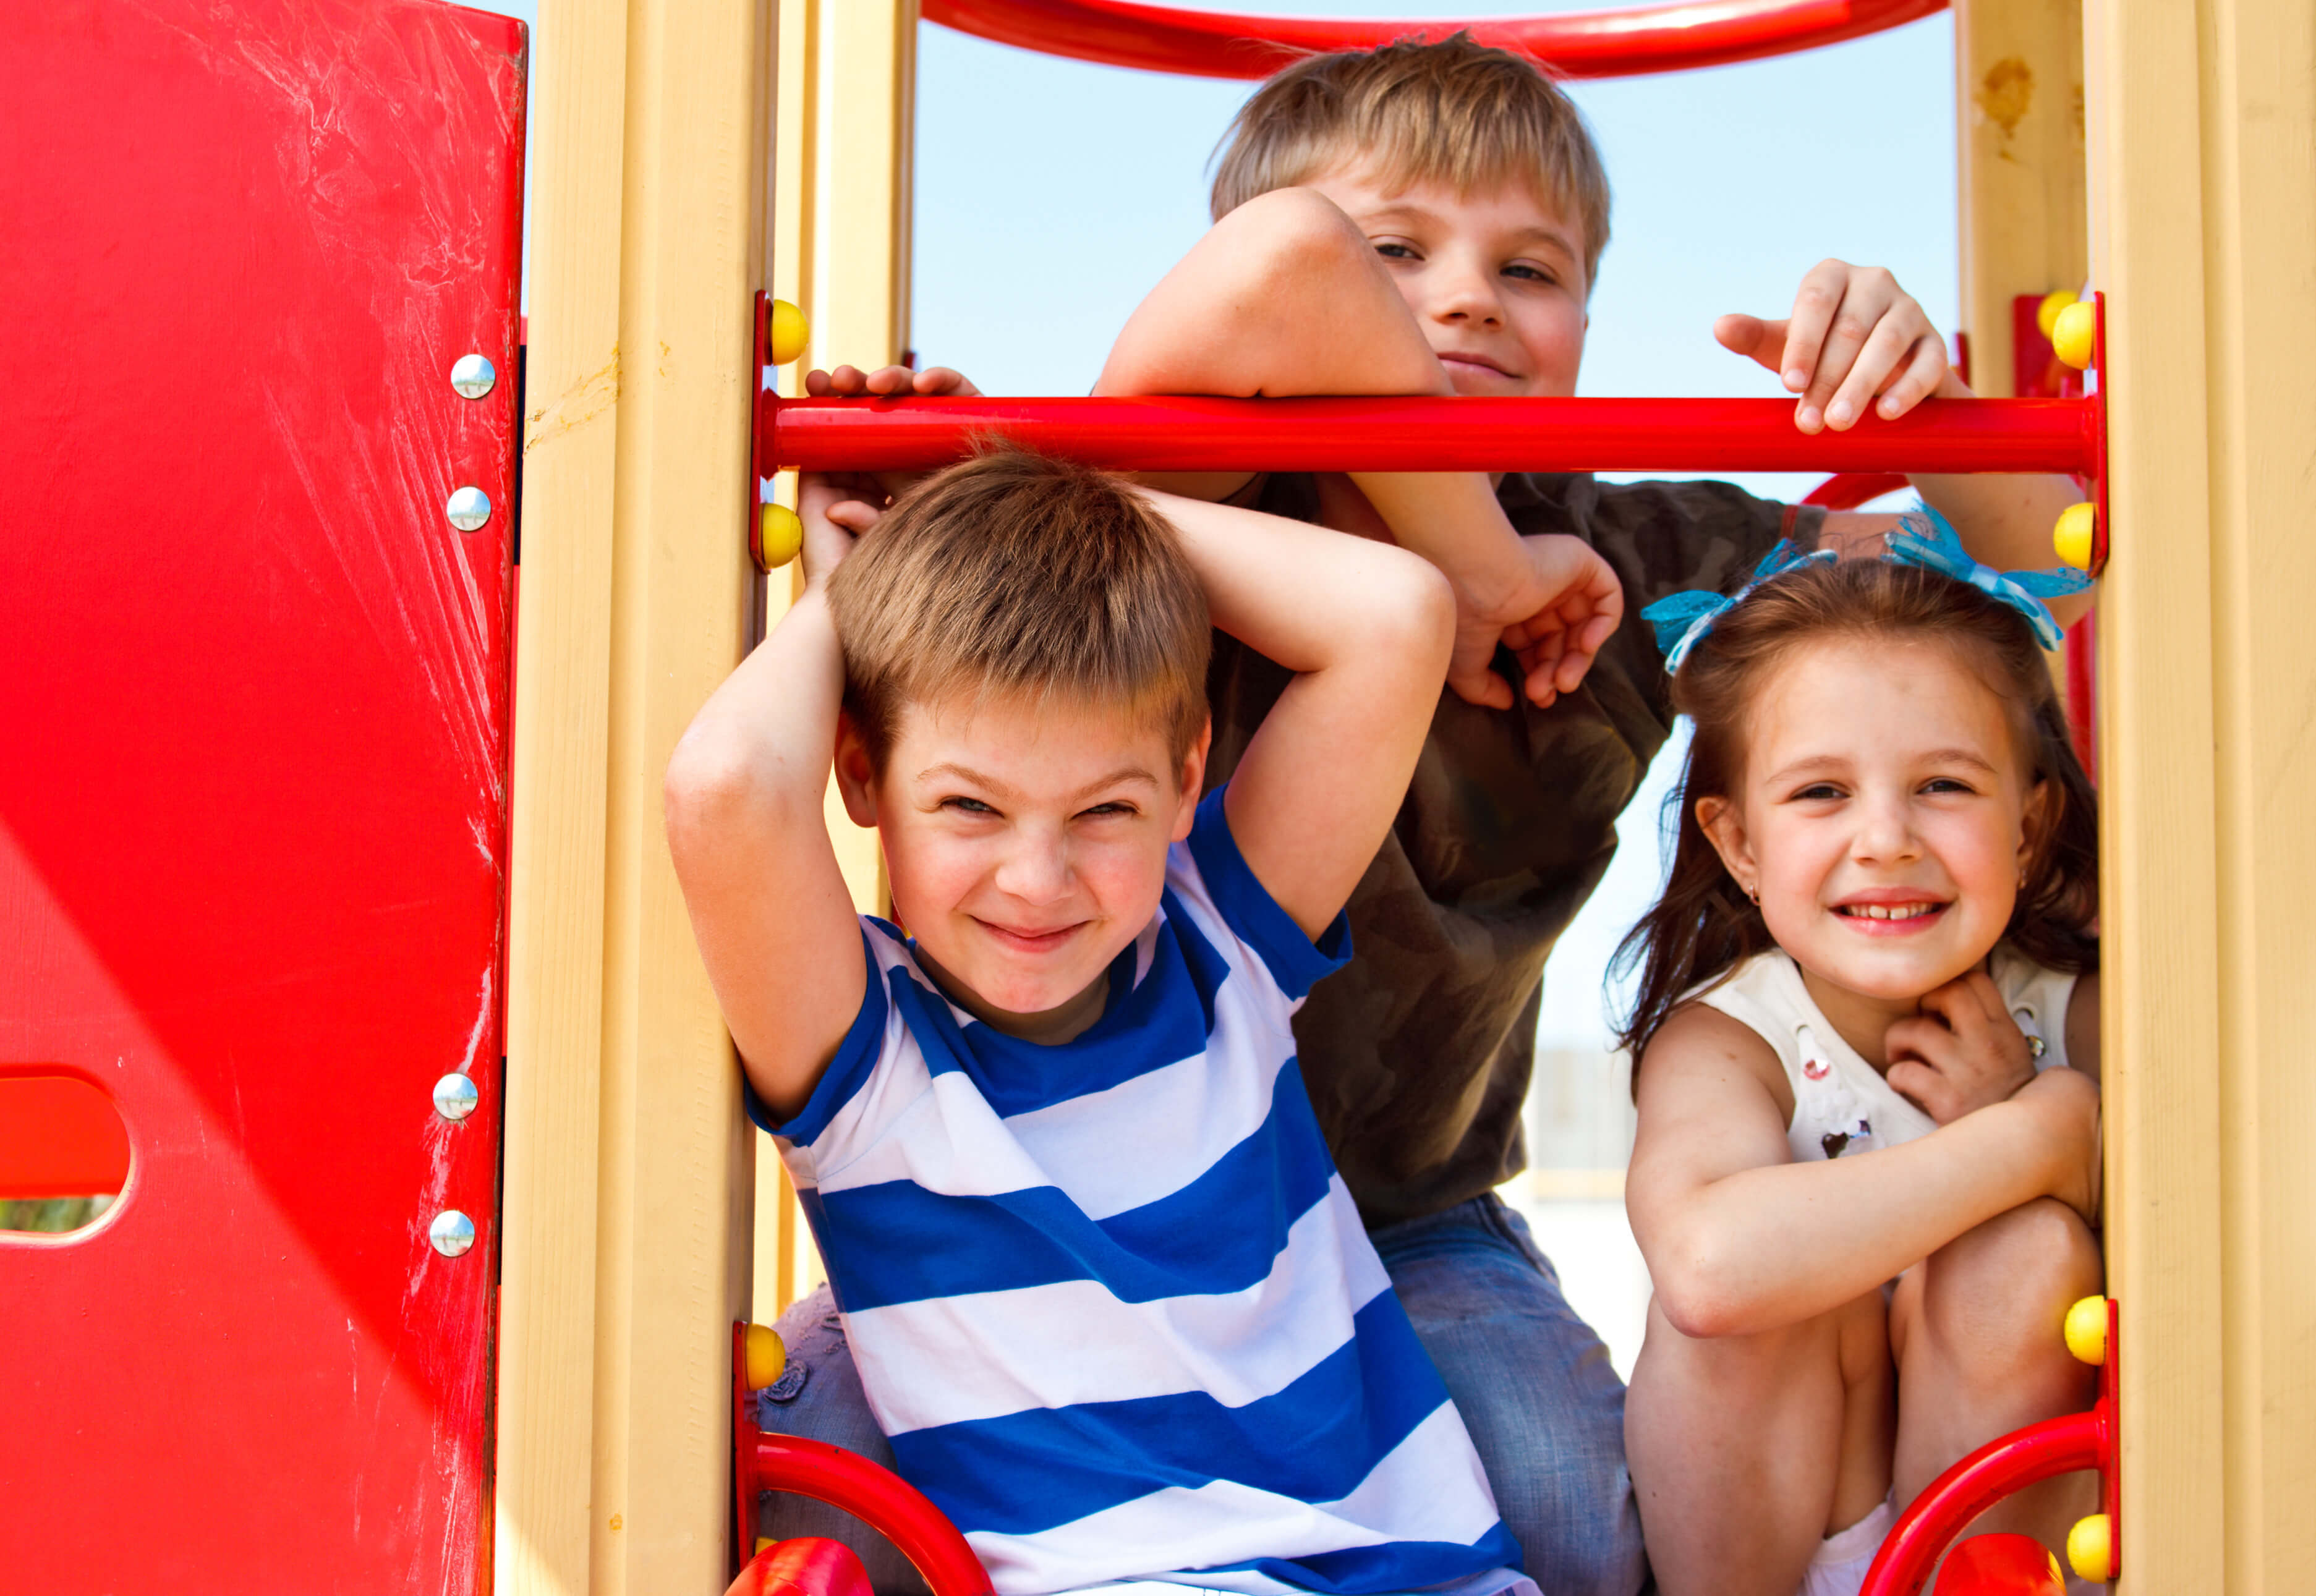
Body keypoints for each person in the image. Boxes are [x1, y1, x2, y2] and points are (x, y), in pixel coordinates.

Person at [779, 35, 2090, 1594]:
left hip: (1402, 1210)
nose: (1464, 301)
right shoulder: (1167, 514)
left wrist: (1922, 400)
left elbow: (2031, 573)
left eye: (1529, 270)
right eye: (1392, 253)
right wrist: (1477, 566)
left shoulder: (1631, 559)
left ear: (1588, 315)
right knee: (829, 1500)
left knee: (1568, 1526)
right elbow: (1277, 266)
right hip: (1033, 1205)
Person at [666, 448, 1548, 1596]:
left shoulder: (1217, 942)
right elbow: (725, 787)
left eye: (1104, 811)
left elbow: (1397, 614)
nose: (1038, 880)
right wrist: (856, 591)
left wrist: (1014, 487)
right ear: (862, 773)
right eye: (970, 805)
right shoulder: (871, 1053)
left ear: (1186, 780)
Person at [1615, 527, 2103, 1596]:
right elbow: (1704, 1269)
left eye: (1943, 784)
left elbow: (2208, 1246)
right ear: (1739, 844)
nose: (1885, 838)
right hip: (1785, 1542)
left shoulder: (2081, 1015)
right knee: (1759, 1275)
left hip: (1988, 1541)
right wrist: (2034, 1137)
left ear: (2029, 827)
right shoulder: (1731, 1039)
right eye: (1821, 793)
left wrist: (2032, 1110)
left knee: (2025, 1253)